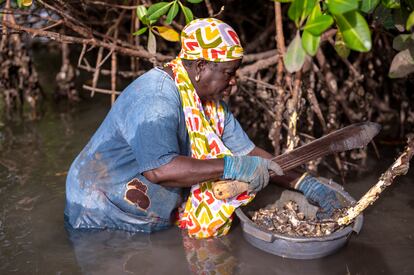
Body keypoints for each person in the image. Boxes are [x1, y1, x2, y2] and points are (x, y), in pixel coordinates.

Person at [64, 18, 340, 236]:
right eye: (229, 73)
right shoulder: (156, 99)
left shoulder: (210, 105)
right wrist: (232, 167)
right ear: (200, 67)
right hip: (102, 212)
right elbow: (161, 170)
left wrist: (306, 183)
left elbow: (250, 153)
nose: (234, 82)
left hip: (146, 208)